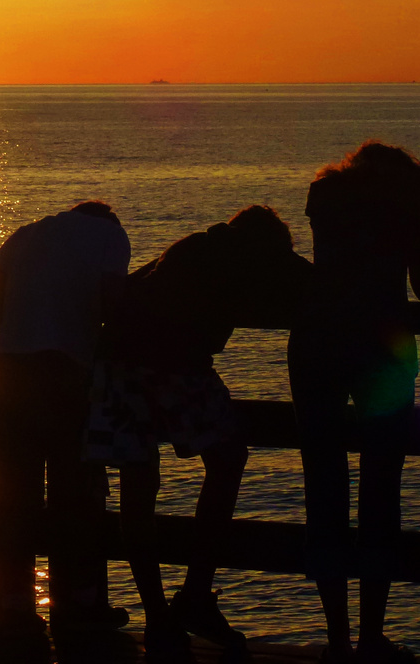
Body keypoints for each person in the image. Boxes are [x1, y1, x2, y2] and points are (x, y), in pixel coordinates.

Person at [87, 205, 311, 663]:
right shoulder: (239, 259)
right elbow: (302, 285)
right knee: (228, 458)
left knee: (138, 483)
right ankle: (194, 593)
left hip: (118, 365)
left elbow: (132, 293)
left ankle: (157, 616)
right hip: (175, 364)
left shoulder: (191, 247)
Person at [289, 142, 420, 664]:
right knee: (381, 487)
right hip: (383, 351)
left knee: (324, 485)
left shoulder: (324, 194)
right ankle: (372, 636)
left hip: (316, 344)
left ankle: (336, 639)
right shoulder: (406, 202)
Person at [0, 201, 132, 662]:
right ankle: (79, 601)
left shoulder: (28, 231)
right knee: (76, 491)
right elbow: (114, 302)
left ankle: (13, 602)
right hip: (65, 372)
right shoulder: (111, 236)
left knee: (13, 494)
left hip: (8, 371)